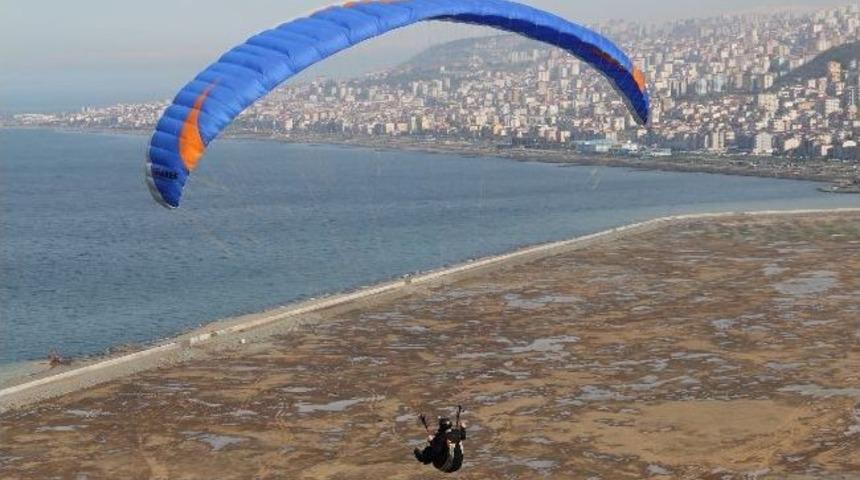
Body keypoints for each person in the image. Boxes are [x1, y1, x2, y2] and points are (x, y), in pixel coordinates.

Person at [413, 407, 467, 473]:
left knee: (430, 449)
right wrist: (463, 428)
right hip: (458, 465)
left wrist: (432, 441)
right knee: (445, 446)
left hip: (446, 466)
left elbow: (436, 451)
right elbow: (463, 436)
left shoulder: (441, 437)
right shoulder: (457, 432)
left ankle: (423, 458)